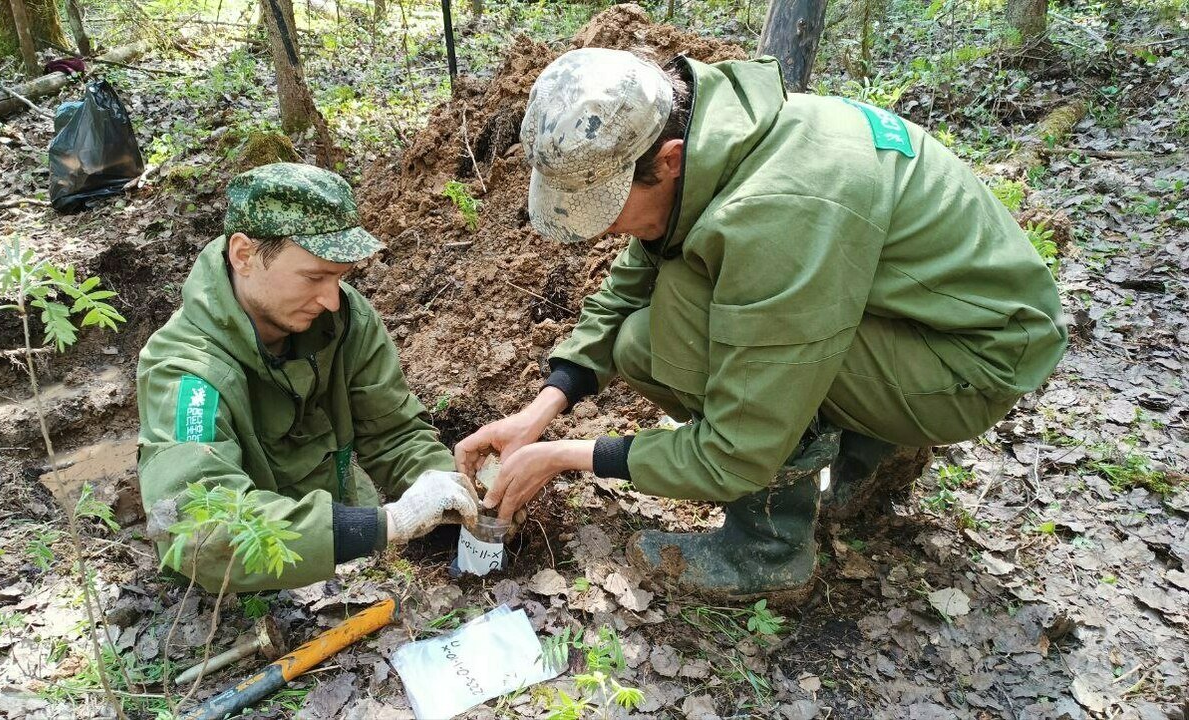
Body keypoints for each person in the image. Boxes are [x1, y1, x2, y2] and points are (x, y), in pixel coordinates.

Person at [456, 48, 1067, 602]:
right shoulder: (724, 139)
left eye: (607, 209)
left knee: (670, 334)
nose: (604, 230)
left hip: (969, 366)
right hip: (924, 319)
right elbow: (634, 277)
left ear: (666, 160)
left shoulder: (775, 213)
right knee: (651, 326)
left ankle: (768, 548)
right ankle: (868, 453)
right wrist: (545, 405)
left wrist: (567, 457)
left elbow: (736, 448)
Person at [137, 162, 479, 593]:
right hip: (250, 593)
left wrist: (456, 493)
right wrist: (388, 523)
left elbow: (392, 433)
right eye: (314, 276)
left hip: (350, 548)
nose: (332, 299)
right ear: (243, 256)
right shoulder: (187, 372)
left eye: (340, 276)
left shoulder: (344, 320)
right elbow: (199, 530)